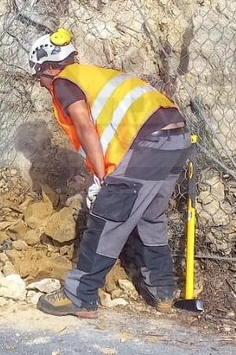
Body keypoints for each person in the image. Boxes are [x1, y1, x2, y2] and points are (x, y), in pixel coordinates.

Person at [29, 28, 191, 318]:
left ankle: (79, 295)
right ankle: (162, 291)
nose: (40, 84)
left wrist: (100, 175)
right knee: (149, 216)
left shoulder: (65, 82)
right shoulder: (96, 75)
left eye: (39, 75)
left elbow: (84, 124)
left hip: (149, 143)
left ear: (51, 67)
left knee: (108, 217)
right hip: (177, 138)